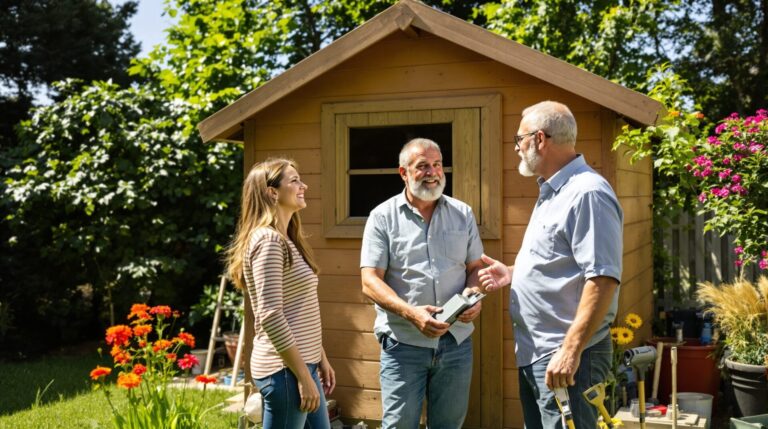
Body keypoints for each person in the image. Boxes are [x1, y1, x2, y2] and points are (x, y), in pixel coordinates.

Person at [479, 101, 623, 428]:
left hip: (568, 358)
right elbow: (563, 262)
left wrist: (570, 351)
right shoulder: (553, 191)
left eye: (519, 140)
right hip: (540, 353)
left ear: (540, 139)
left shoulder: (587, 193)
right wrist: (513, 274)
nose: (516, 148)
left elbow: (602, 279)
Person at [360, 138, 485, 429]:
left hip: (455, 342)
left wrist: (473, 297)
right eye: (423, 166)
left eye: (437, 165)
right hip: (403, 343)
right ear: (403, 173)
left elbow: (476, 268)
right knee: (399, 425)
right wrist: (411, 313)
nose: (433, 172)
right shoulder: (382, 217)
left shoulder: (462, 213)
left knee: (448, 425)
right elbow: (370, 280)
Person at [226, 158, 335, 429]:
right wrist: (303, 376)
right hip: (285, 371)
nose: (304, 186)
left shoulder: (287, 239)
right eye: (294, 181)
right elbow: (271, 315)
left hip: (302, 366)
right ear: (272, 192)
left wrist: (320, 358)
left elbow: (298, 309)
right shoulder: (269, 241)